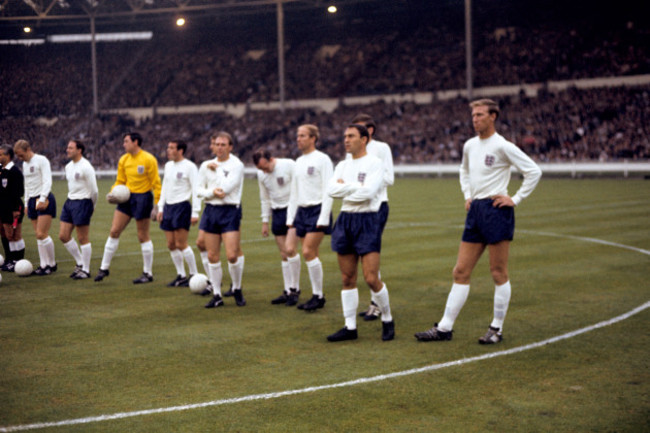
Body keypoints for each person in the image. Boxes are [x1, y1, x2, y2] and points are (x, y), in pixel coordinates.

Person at [415, 98, 542, 344]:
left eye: (480, 115)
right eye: (473, 115)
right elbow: (464, 171)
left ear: (493, 116)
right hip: (476, 210)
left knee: (498, 272)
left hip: (496, 210)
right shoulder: (470, 145)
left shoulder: (503, 146)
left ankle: (496, 329)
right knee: (460, 271)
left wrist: (515, 199)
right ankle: (444, 328)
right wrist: (468, 196)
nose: (475, 119)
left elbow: (534, 171)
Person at [326, 124, 395, 342]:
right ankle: (350, 327)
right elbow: (331, 190)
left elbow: (369, 193)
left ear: (364, 139)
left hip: (367, 219)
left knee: (371, 278)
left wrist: (345, 187)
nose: (346, 140)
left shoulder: (375, 163)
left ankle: (387, 318)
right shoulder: (341, 165)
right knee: (347, 278)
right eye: (345, 136)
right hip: (345, 219)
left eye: (351, 136)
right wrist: (355, 187)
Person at [94, 132, 162, 284]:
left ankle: (148, 273)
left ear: (135, 142)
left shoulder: (148, 159)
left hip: (143, 198)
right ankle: (104, 268)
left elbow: (156, 183)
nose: (123, 144)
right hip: (126, 197)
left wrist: (157, 205)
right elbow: (120, 180)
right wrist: (113, 192)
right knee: (114, 231)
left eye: (126, 141)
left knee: (142, 235)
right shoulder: (123, 159)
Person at [350, 113, 395, 322]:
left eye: (359, 129)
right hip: (357, 207)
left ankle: (377, 305)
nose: (353, 135)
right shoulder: (352, 153)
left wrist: (367, 184)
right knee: (361, 255)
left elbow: (389, 177)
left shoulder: (381, 148)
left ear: (370, 131)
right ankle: (374, 302)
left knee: (371, 253)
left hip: (376, 206)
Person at [286, 124, 334, 312]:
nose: (298, 139)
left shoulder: (323, 160)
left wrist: (323, 217)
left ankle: (318, 296)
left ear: (313, 138)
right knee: (309, 253)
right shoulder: (298, 162)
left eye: (303, 135)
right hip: (302, 213)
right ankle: (315, 294)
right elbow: (294, 192)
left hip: (317, 211)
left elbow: (328, 190)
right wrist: (291, 217)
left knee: (307, 251)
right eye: (298, 135)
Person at [196, 132, 246, 308]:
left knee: (232, 255)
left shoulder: (237, 165)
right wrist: (210, 192)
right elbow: (198, 190)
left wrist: (214, 178)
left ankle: (237, 288)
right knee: (212, 255)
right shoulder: (205, 165)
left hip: (229, 211)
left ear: (230, 147)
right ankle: (217, 295)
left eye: (223, 144)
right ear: (213, 146)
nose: (220, 147)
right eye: (217, 144)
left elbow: (226, 188)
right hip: (211, 211)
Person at [252, 148, 300, 306]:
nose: (264, 172)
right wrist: (265, 221)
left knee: (290, 249)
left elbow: (300, 187)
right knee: (283, 253)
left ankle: (295, 289)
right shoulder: (261, 175)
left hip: (293, 209)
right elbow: (264, 198)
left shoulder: (289, 165)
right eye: (261, 169)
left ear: (271, 159)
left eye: (265, 167)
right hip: (277, 213)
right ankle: (287, 291)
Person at [156, 140, 201, 287]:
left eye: (171, 148)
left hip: (182, 206)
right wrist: (160, 207)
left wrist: (195, 211)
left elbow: (196, 190)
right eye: (168, 147)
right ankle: (181, 275)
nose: (168, 150)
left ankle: (194, 275)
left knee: (181, 243)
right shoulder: (168, 166)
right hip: (168, 207)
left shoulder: (190, 167)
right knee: (171, 244)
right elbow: (165, 187)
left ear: (180, 151)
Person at [13, 139, 57, 276]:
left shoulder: (41, 160)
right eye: (18, 156)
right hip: (32, 200)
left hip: (43, 199)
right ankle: (43, 265)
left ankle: (52, 264)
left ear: (28, 150)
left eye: (21, 155)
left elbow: (47, 180)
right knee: (38, 236)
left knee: (41, 233)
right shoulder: (25, 165)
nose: (20, 159)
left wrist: (43, 199)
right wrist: (26, 203)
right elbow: (27, 185)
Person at [58, 140, 98, 279]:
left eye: (70, 148)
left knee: (82, 238)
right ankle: (80, 263)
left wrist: (91, 206)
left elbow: (94, 190)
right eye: (67, 147)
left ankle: (86, 270)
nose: (67, 150)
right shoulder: (68, 166)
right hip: (70, 202)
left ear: (79, 150)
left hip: (83, 202)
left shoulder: (86, 166)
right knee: (63, 235)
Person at [0, 144, 26, 271]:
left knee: (14, 235)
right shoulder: (2, 170)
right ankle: (9, 259)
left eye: (1, 154)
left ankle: (18, 260)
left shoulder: (14, 172)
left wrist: (16, 209)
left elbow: (18, 191)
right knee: (4, 233)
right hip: (3, 208)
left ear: (8, 156)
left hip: (13, 207)